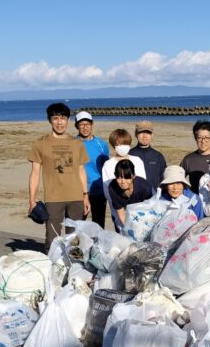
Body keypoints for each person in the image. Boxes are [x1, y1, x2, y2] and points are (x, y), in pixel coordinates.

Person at [28, 102, 90, 251]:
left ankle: (73, 270)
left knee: (75, 239)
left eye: (63, 118)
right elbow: (35, 173)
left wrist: (85, 195)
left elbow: (81, 171)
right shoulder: (40, 144)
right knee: (52, 238)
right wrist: (32, 200)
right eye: (55, 118)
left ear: (68, 120)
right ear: (50, 120)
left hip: (76, 198)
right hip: (53, 198)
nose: (59, 122)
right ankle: (52, 268)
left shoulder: (77, 143)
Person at [101, 128, 147, 229]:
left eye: (125, 143)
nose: (122, 147)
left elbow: (142, 183)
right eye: (119, 144)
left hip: (139, 207)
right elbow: (107, 190)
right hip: (118, 208)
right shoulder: (108, 165)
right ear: (114, 146)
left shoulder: (137, 161)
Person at [74, 111, 109, 228]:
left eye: (87, 124)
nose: (85, 127)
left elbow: (106, 168)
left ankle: (97, 246)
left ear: (92, 125)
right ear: (76, 126)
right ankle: (77, 247)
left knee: (98, 225)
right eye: (82, 124)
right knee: (77, 225)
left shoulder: (101, 144)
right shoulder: (72, 143)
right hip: (78, 191)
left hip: (98, 190)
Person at [107, 159, 153, 232]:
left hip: (145, 215)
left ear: (134, 176)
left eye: (127, 178)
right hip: (126, 215)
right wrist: (130, 229)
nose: (123, 182)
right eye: (119, 177)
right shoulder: (112, 188)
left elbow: (151, 210)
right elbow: (121, 212)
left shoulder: (144, 187)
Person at [180, 120, 210, 193]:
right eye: (199, 137)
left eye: (207, 137)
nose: (203, 141)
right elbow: (178, 180)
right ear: (195, 138)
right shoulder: (188, 159)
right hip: (196, 201)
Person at [129, 120, 167, 190]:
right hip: (134, 198)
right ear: (135, 134)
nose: (144, 136)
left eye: (148, 133)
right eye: (141, 132)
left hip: (154, 197)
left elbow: (164, 180)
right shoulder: (129, 155)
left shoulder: (158, 157)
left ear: (152, 135)